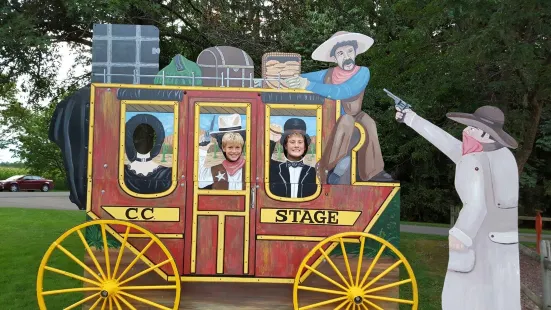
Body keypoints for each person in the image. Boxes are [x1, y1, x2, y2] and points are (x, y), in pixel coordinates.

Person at [395, 103, 521, 310]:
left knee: (465, 297)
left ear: (486, 135)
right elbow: (446, 143)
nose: (466, 130)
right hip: (504, 241)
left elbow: (476, 204)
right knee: (501, 298)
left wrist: (461, 233)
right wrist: (411, 118)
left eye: (472, 128)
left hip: (477, 238)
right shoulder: (504, 156)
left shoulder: (474, 160)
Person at [285, 31, 392, 184]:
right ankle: (328, 166)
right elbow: (302, 77)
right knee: (346, 121)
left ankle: (373, 172)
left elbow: (344, 91)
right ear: (334, 58)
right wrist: (289, 79)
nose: (346, 56)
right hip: (330, 120)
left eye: (349, 51)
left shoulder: (363, 72)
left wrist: (309, 85)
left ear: (355, 52)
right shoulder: (327, 74)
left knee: (368, 122)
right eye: (340, 53)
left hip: (355, 115)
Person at [268, 118, 317, 198]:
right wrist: (272, 139)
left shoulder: (313, 172)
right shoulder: (274, 169)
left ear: (305, 146)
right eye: (292, 142)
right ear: (285, 145)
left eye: (300, 142)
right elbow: (262, 161)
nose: (296, 145)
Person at [123, 114, 172, 194]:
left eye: (148, 137)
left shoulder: (167, 174)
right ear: (131, 140)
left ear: (155, 141)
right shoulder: (122, 172)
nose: (144, 141)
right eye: (139, 137)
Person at [198, 114, 246, 190]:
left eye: (237, 147)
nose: (234, 151)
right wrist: (202, 150)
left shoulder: (250, 169)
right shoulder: (217, 169)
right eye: (230, 147)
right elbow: (199, 182)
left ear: (242, 148)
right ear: (223, 148)